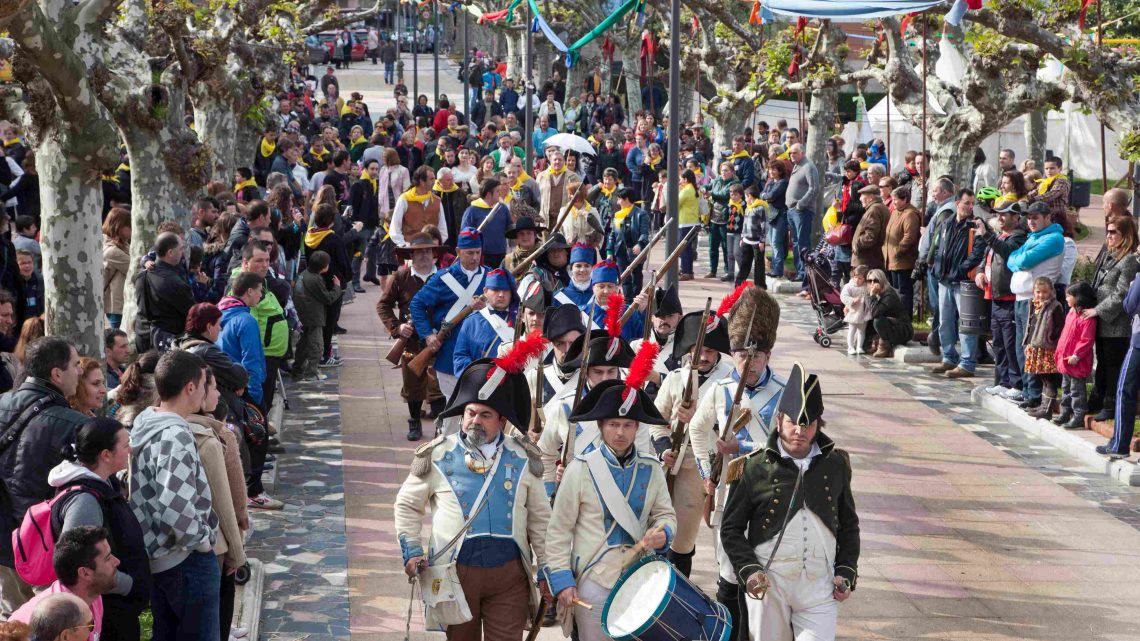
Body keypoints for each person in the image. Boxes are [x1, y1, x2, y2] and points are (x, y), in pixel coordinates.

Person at [393, 344, 552, 639]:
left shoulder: (523, 458)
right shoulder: (437, 454)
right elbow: (407, 505)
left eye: (485, 415)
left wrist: (547, 567)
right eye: (470, 413)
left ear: (502, 421)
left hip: (509, 574)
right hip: (455, 573)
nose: (475, 421)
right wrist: (412, 549)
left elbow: (541, 520)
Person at [721, 362, 860, 641]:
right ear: (779, 420)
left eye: (808, 423)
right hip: (770, 583)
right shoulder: (752, 467)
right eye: (793, 421)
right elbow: (731, 529)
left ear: (818, 424)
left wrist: (846, 570)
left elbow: (848, 525)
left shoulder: (836, 464)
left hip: (820, 585)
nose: (800, 429)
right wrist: (749, 570)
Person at [547, 344, 677, 641]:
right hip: (594, 578)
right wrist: (563, 580)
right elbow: (558, 532)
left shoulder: (651, 469)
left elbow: (665, 515)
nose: (620, 433)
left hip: (641, 575)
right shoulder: (579, 469)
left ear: (636, 428)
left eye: (628, 425)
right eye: (614, 425)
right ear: (601, 426)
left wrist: (664, 533)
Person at [686, 286, 784, 635]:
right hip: (729, 495)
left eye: (757, 356)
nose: (750, 363)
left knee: (766, 576)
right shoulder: (721, 389)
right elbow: (697, 431)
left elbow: (789, 447)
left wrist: (740, 448)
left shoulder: (786, 392)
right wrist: (706, 472)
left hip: (771, 493)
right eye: (743, 355)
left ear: (768, 355)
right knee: (728, 575)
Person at [128, 350, 220, 641]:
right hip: (185, 559)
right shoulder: (175, 434)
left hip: (159, 556)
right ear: (190, 387)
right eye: (205, 384)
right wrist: (203, 541)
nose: (206, 391)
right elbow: (175, 505)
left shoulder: (146, 422)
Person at [0, 337, 86, 618]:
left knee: (12, 626)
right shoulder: (75, 424)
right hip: (45, 547)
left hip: (5, 545)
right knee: (52, 625)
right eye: (76, 365)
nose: (81, 371)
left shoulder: (1, 404)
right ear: (56, 374)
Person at [651, 301, 735, 577]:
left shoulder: (730, 383)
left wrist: (699, 420)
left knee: (690, 539)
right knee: (666, 535)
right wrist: (664, 448)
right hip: (676, 466)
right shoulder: (675, 379)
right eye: (699, 350)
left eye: (710, 351)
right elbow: (655, 423)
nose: (704, 356)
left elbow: (735, 429)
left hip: (710, 468)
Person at [47, 418, 150, 641]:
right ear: (106, 454)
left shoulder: (104, 484)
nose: (130, 449)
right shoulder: (85, 500)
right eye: (125, 445)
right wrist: (127, 584)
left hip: (116, 609)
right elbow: (79, 562)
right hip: (107, 615)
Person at [409, 227, 488, 431]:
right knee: (454, 411)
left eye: (477, 252)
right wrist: (428, 334)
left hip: (482, 354)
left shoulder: (490, 276)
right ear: (458, 251)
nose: (474, 257)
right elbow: (417, 304)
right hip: (450, 354)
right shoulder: (443, 278)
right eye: (470, 252)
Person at [188, 371, 246, 641]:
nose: (218, 393)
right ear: (194, 392)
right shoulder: (214, 438)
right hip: (212, 542)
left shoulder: (148, 424)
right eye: (210, 387)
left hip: (171, 550)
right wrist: (237, 550)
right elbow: (230, 500)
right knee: (216, 612)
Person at [378, 233, 445, 440]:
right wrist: (398, 328)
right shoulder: (400, 277)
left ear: (434, 253)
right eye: (419, 251)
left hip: (439, 340)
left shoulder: (444, 276)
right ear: (411, 254)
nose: (424, 255)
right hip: (412, 341)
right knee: (413, 386)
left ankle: (440, 427)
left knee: (439, 387)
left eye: (427, 250)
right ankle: (414, 423)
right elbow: (383, 305)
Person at [9, 527, 118, 641]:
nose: (116, 561)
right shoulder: (53, 620)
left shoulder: (93, 594)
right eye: (108, 558)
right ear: (85, 573)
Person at [1006, 201, 1065, 410]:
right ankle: (1027, 391)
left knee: (1033, 348)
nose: (1030, 222)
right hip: (1022, 299)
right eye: (1028, 218)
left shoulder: (1054, 238)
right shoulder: (1032, 237)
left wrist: (1017, 260)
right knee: (1022, 347)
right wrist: (1016, 259)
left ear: (1047, 218)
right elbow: (1010, 259)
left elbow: (1024, 261)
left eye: (1035, 218)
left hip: (1038, 301)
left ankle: (1034, 395)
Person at [1085, 214, 1139, 421]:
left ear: (1125, 235)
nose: (1108, 236)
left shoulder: (1130, 260)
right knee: (1103, 362)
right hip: (1102, 321)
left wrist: (1098, 310)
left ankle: (1110, 404)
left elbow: (1122, 293)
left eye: (1113, 232)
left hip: (1117, 324)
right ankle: (1097, 400)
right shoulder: (1111, 255)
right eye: (1107, 231)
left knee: (1113, 364)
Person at [928, 189, 985, 378]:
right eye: (966, 203)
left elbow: (978, 253)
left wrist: (960, 270)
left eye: (972, 203)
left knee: (966, 323)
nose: (970, 207)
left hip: (964, 282)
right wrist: (937, 267)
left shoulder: (976, 225)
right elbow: (938, 247)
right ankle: (948, 357)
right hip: (945, 280)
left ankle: (967, 362)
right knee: (944, 321)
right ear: (957, 202)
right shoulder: (947, 223)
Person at [975, 202, 1028, 397]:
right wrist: (980, 272)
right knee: (998, 342)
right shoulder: (999, 236)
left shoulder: (1019, 237)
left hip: (1009, 297)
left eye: (1006, 214)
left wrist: (987, 234)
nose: (1001, 218)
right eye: (999, 214)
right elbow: (986, 258)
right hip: (994, 296)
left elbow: (1007, 252)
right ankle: (1002, 381)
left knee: (1010, 342)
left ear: (1016, 217)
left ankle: (1015, 383)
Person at [303, 204, 352, 365]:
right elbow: (343, 262)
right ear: (332, 221)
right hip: (333, 282)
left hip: (314, 282)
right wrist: (347, 277)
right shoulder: (333, 238)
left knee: (317, 319)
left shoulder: (308, 236)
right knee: (330, 320)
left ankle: (316, 353)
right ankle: (324, 355)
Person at [135, 232, 195, 351]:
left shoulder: (142, 275)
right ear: (170, 253)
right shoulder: (175, 283)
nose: (182, 252)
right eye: (181, 248)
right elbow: (191, 313)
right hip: (166, 342)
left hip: (143, 337)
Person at [452, 268, 516, 376]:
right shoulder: (471, 322)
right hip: (482, 385)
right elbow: (460, 359)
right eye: (496, 290)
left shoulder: (522, 319)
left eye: (506, 290)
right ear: (485, 292)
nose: (501, 295)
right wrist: (480, 374)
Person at [293, 251, 342, 382]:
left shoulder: (304, 274)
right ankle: (311, 373)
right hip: (314, 316)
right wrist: (337, 287)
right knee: (317, 345)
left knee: (303, 344)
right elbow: (328, 298)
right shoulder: (315, 279)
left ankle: (297, 370)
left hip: (304, 314)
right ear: (323, 266)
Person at [1053, 281, 1097, 429]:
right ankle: (1065, 412)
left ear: (1078, 297)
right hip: (1066, 359)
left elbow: (1086, 340)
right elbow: (1065, 335)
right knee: (1065, 388)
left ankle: (1079, 415)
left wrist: (1077, 355)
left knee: (1076, 391)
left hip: (1077, 361)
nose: (1066, 299)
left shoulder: (1087, 318)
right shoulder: (1071, 313)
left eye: (1069, 296)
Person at [1022, 276, 1066, 420]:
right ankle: (1043, 405)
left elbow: (1060, 327)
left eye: (1044, 292)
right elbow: (1030, 324)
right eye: (1038, 292)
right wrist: (1027, 342)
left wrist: (1051, 339)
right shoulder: (1033, 304)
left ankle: (1048, 409)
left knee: (1049, 378)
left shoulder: (1055, 306)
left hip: (1048, 348)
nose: (1041, 295)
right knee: (1042, 377)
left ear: (1051, 292)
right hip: (1035, 346)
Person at [882, 186, 920, 319]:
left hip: (903, 261)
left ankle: (904, 320)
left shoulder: (910, 214)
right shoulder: (895, 212)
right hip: (891, 260)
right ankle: (895, 319)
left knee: (904, 292)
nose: (893, 202)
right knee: (894, 291)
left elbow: (909, 237)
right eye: (892, 199)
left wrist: (898, 251)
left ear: (905, 199)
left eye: (896, 200)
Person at [608, 188, 651, 301]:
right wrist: (609, 251)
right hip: (620, 250)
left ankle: (636, 300)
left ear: (626, 199)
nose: (617, 202)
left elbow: (644, 232)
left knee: (636, 276)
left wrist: (640, 244)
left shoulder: (641, 214)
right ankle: (628, 301)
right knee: (624, 277)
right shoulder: (618, 215)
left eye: (619, 199)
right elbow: (613, 234)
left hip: (635, 251)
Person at [786, 144, 820, 281]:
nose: (792, 155)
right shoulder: (797, 165)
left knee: (802, 243)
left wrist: (801, 204)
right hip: (792, 210)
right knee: (795, 242)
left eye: (795, 152)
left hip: (802, 211)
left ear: (802, 153)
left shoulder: (808, 166)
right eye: (790, 153)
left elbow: (814, 189)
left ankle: (806, 274)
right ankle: (800, 271)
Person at [865, 269, 914, 357]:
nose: (872, 283)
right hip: (891, 326)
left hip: (902, 330)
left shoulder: (889, 295)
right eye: (869, 281)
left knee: (878, 320)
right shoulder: (872, 294)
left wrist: (871, 296)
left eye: (875, 280)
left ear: (881, 281)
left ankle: (884, 346)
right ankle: (875, 340)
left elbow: (875, 313)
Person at [101, 209, 131, 330]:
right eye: (129, 227)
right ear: (120, 227)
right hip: (116, 306)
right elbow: (134, 268)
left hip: (119, 304)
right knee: (117, 339)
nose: (132, 231)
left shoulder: (122, 245)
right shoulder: (112, 251)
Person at [761, 162, 790, 280]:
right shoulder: (771, 182)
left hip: (781, 215)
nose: (771, 172)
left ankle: (778, 270)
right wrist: (766, 195)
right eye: (770, 169)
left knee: (776, 242)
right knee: (773, 243)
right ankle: (775, 268)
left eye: (774, 170)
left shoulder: (783, 183)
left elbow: (771, 195)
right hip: (772, 215)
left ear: (780, 171)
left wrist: (766, 196)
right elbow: (762, 194)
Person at [738, 185, 770, 288]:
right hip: (747, 240)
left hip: (757, 242)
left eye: (746, 197)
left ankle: (760, 285)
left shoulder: (761, 208)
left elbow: (764, 225)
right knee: (745, 263)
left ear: (750, 196)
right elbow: (745, 223)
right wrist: (742, 237)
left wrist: (762, 240)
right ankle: (739, 284)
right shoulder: (748, 208)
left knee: (759, 265)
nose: (745, 199)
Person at [852, 185, 887, 272]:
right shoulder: (877, 208)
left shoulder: (874, 210)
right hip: (870, 259)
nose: (860, 199)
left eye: (862, 195)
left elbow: (870, 237)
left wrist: (856, 244)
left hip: (867, 260)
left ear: (870, 197)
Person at [1027, 157, 1071, 223]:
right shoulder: (1046, 181)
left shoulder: (1061, 181)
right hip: (1045, 213)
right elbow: (1037, 191)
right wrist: (1026, 197)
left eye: (1052, 168)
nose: (1049, 171)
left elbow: (1051, 194)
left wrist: (1033, 199)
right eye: (1046, 168)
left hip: (1057, 215)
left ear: (1060, 169)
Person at [840, 265, 872, 356]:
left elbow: (870, 295)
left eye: (860, 278)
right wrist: (851, 300)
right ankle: (850, 347)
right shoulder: (849, 286)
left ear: (864, 279)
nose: (857, 280)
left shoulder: (866, 287)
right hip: (853, 311)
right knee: (852, 330)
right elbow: (843, 296)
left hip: (863, 312)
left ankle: (859, 347)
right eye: (855, 277)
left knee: (862, 331)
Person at [678, 171, 700, 281]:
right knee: (688, 248)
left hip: (685, 222)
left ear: (686, 179)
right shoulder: (694, 189)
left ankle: (685, 271)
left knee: (683, 248)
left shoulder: (686, 190)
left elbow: (675, 203)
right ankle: (689, 271)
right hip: (693, 221)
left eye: (681, 179)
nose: (680, 181)